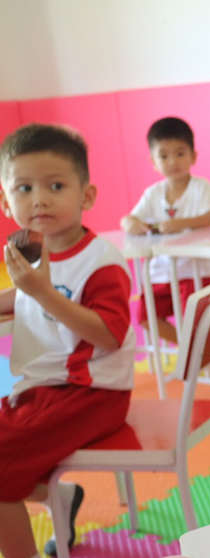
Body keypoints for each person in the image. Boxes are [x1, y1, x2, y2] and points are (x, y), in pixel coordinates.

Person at [0, 124, 135, 558]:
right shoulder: (33, 251)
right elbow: (25, 296)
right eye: (24, 187)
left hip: (88, 392)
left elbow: (110, 334)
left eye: (56, 186)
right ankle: (61, 498)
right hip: (41, 387)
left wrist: (39, 292)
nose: (39, 198)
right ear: (6, 201)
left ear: (86, 196)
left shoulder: (101, 262)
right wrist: (23, 294)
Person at [120, 117, 210, 343]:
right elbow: (129, 219)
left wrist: (180, 224)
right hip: (162, 272)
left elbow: (209, 218)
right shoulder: (152, 193)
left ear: (193, 156)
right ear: (153, 162)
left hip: (197, 270)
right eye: (164, 156)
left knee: (198, 319)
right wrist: (132, 224)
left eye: (180, 153)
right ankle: (190, 350)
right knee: (144, 316)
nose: (172, 161)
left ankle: (197, 351)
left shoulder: (202, 187)